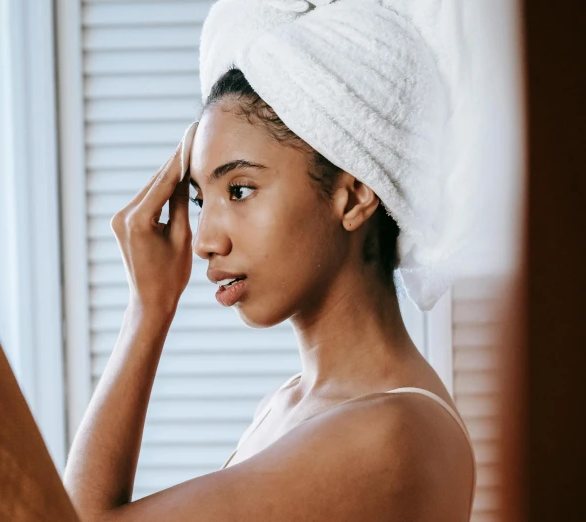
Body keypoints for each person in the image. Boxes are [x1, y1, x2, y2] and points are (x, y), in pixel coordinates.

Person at [64, 1, 476, 520]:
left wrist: (147, 311)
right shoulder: (287, 406)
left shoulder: (390, 432)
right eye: (199, 199)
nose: (204, 240)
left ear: (351, 197)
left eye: (239, 190)